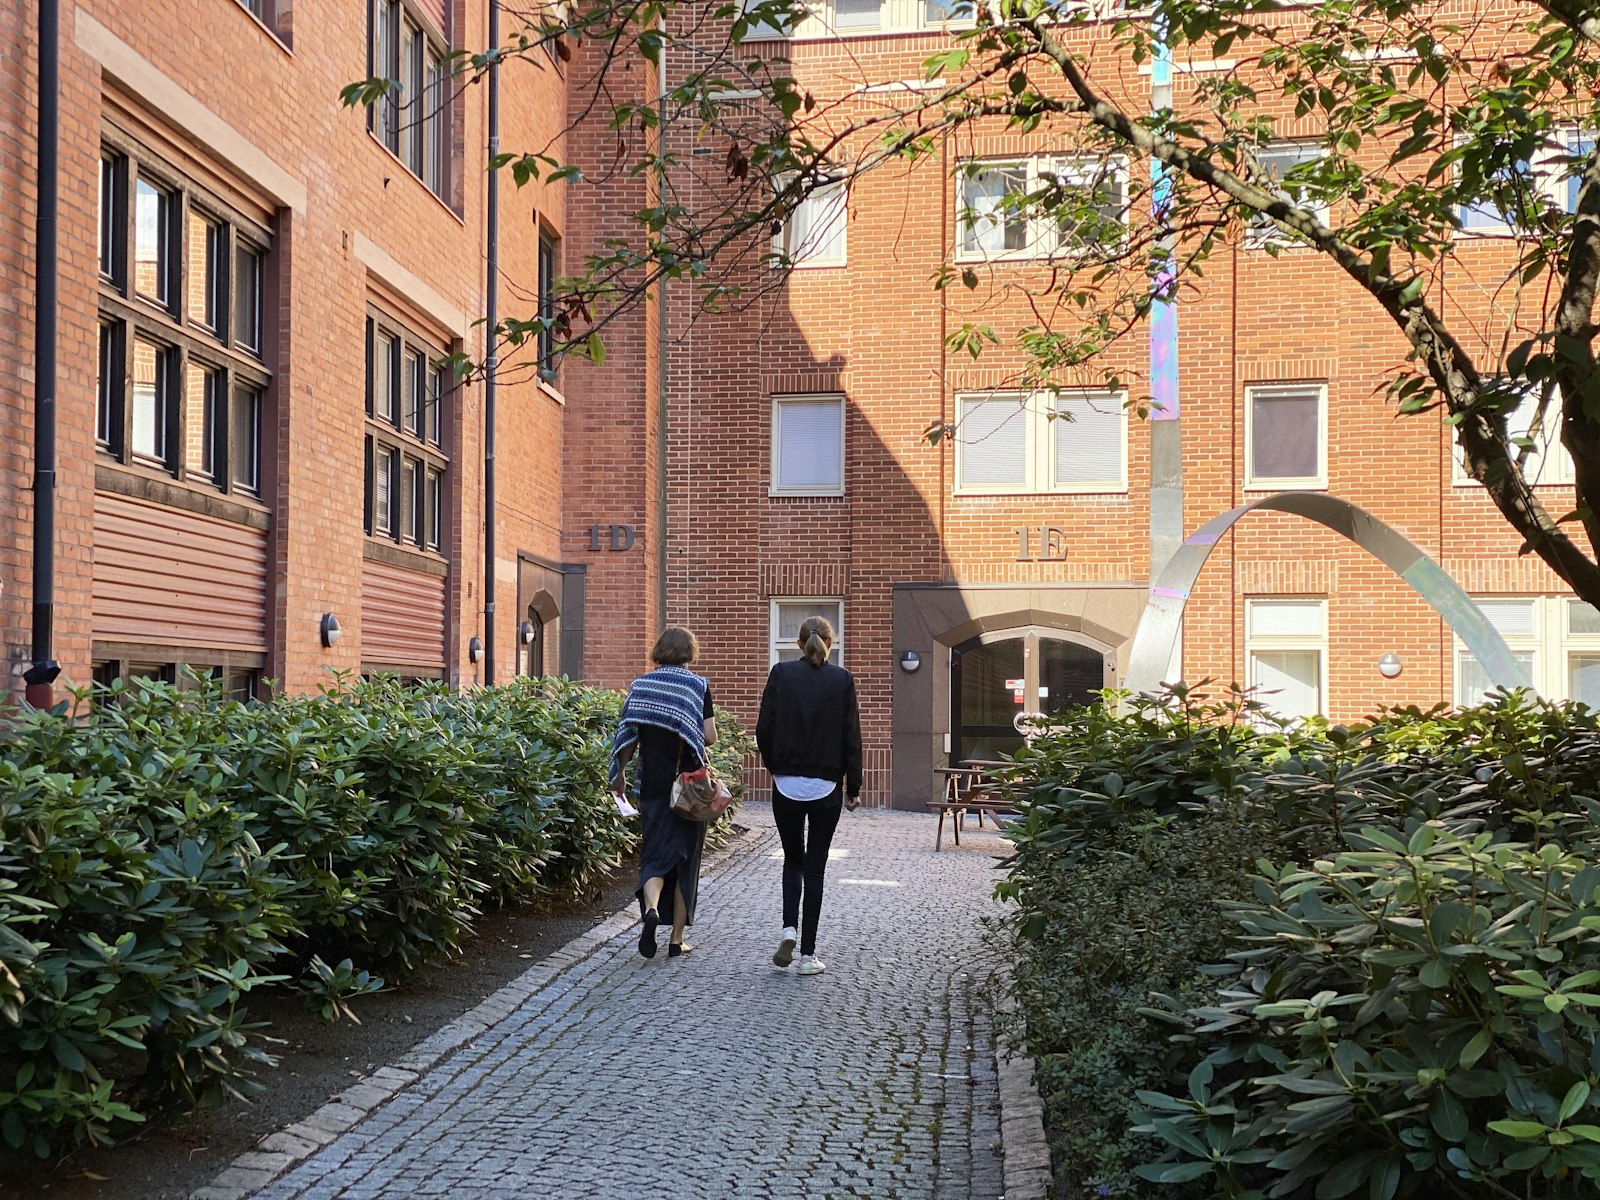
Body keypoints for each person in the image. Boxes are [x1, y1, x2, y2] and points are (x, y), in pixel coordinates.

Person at [755, 615, 862, 977]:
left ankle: (788, 928)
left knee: (792, 860)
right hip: (826, 786)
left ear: (799, 643)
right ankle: (807, 955)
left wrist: (775, 766)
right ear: (831, 643)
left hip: (786, 783)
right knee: (815, 868)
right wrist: (854, 787)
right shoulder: (842, 680)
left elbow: (763, 728)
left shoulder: (781, 674)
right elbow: (852, 737)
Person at [609, 626, 718, 960]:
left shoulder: (641, 685)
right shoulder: (697, 686)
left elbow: (628, 735)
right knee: (686, 862)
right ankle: (676, 940)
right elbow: (709, 737)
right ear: (689, 652)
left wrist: (619, 775)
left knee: (654, 857)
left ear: (659, 650)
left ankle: (652, 909)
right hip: (688, 789)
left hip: (653, 786)